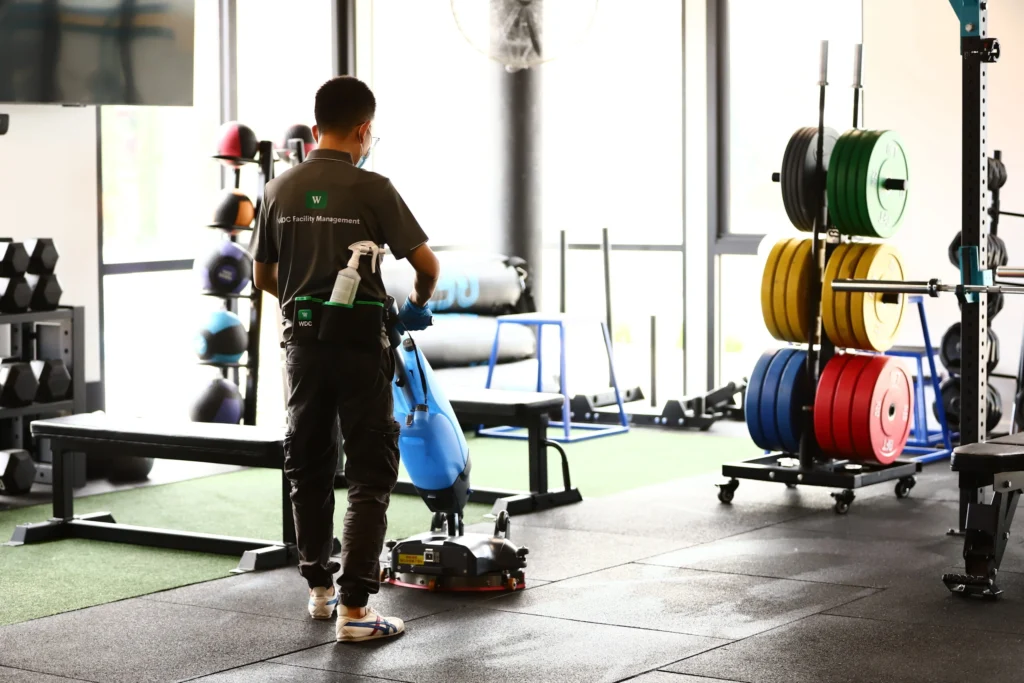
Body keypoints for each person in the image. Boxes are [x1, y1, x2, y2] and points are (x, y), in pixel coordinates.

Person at [249, 75, 439, 643]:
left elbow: (262, 277)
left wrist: (305, 298)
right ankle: (356, 612)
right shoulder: (375, 188)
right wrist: (417, 304)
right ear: (365, 130)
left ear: (314, 130)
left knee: (307, 463)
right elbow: (428, 268)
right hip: (361, 349)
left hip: (302, 349)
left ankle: (319, 591)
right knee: (370, 470)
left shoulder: (277, 190)